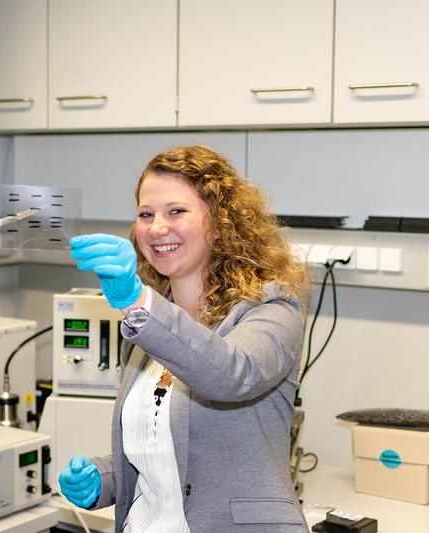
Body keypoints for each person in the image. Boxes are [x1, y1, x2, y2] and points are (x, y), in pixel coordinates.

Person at [58, 145, 310, 532]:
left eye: (176, 211)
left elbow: (230, 374)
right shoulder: (148, 323)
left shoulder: (271, 306)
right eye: (146, 214)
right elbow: (165, 448)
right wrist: (104, 479)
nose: (156, 228)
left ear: (221, 221)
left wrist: (137, 301)